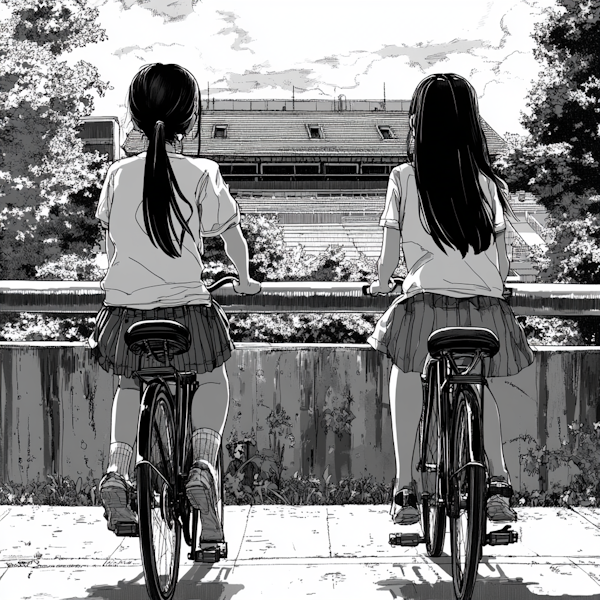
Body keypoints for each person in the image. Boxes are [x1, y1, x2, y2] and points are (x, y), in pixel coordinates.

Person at [89, 63, 260, 539]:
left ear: (136, 115)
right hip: (187, 309)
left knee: (129, 385)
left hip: (124, 312)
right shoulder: (203, 172)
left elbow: (112, 250)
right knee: (211, 378)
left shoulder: (117, 174)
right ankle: (203, 465)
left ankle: (119, 470)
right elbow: (231, 238)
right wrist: (244, 278)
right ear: (190, 117)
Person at [367, 73, 534, 525]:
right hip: (485, 309)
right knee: (481, 387)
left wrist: (381, 285)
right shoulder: (487, 183)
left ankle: (405, 489)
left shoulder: (404, 177)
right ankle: (498, 481)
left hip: (427, 307)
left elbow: (387, 263)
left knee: (406, 373)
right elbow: (501, 270)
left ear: (418, 122)